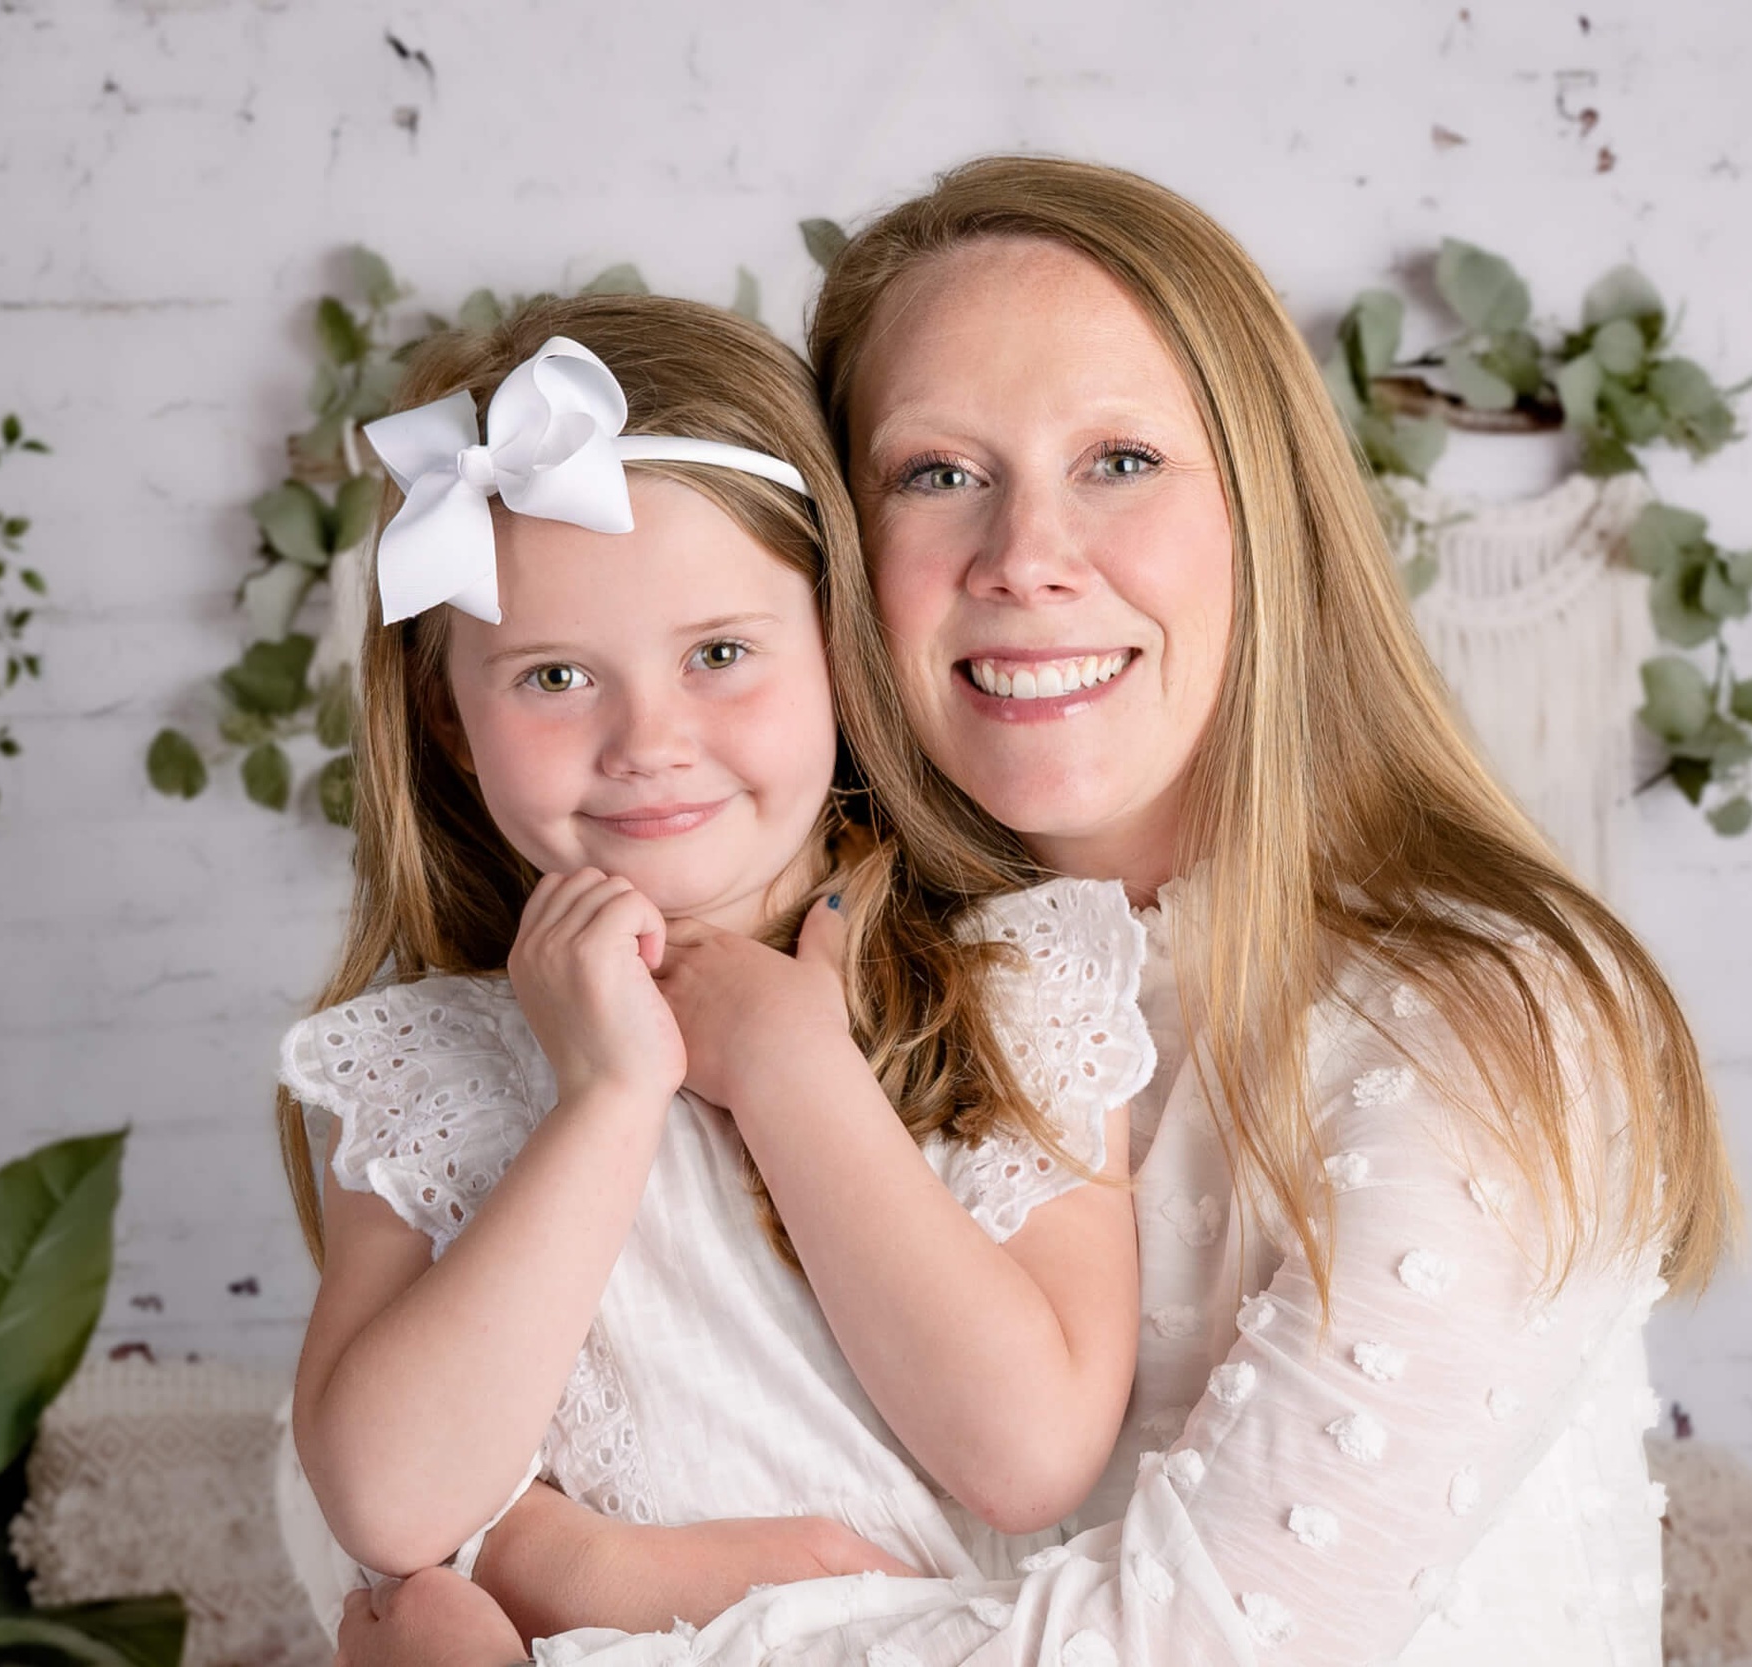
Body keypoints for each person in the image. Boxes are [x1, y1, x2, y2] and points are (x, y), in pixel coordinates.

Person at [344, 157, 1738, 1665]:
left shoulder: (1480, 1023)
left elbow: (1202, 1648)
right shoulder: (831, 976)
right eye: (938, 475)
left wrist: (554, 1603)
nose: (1024, 562)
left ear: (1266, 512)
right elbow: (383, 1502)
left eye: (1121, 461)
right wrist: (541, 1550)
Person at [278, 295, 1156, 1655]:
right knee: (424, 1628)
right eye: (556, 674)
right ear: (452, 724)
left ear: (840, 657)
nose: (648, 740)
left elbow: (1028, 1456)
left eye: (719, 656)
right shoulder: (430, 1069)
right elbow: (390, 1505)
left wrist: (793, 1071)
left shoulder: (1008, 990)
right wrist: (607, 1098)